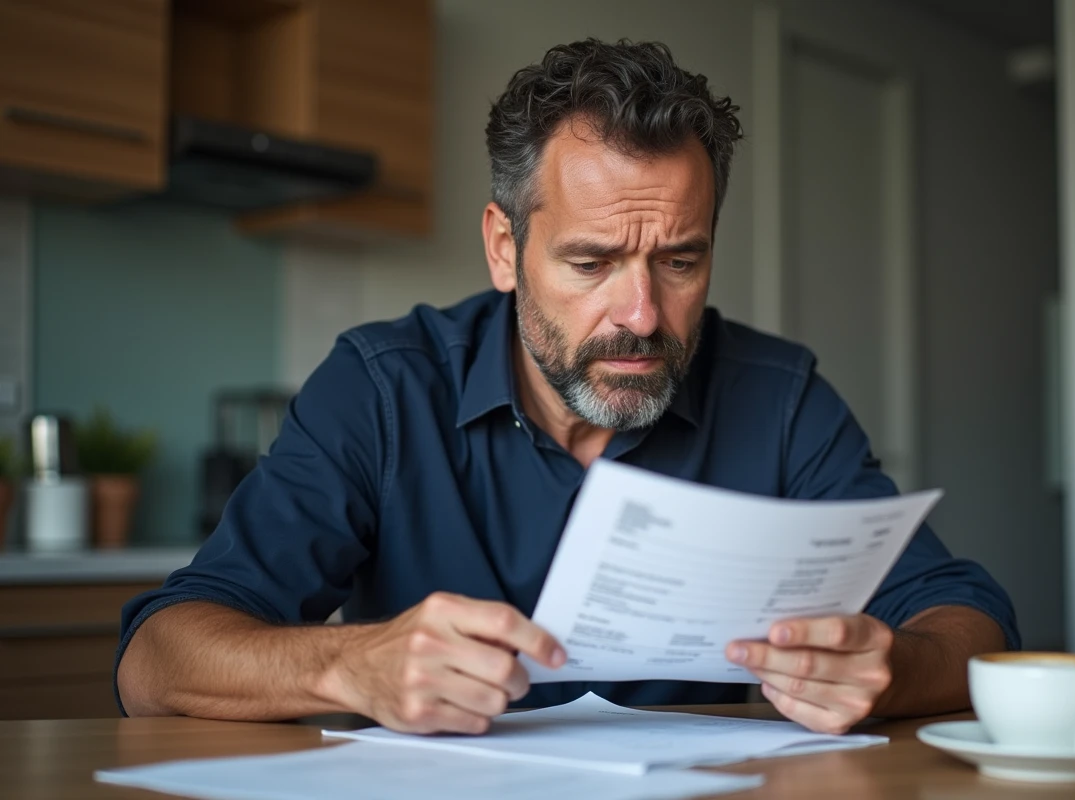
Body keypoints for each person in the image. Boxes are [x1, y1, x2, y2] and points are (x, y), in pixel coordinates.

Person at [116, 39, 1018, 736]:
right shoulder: (384, 389)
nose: (641, 313)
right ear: (505, 249)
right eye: (592, 261)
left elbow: (971, 623)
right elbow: (154, 664)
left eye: (681, 260)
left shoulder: (777, 398)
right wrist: (350, 664)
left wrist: (890, 667)